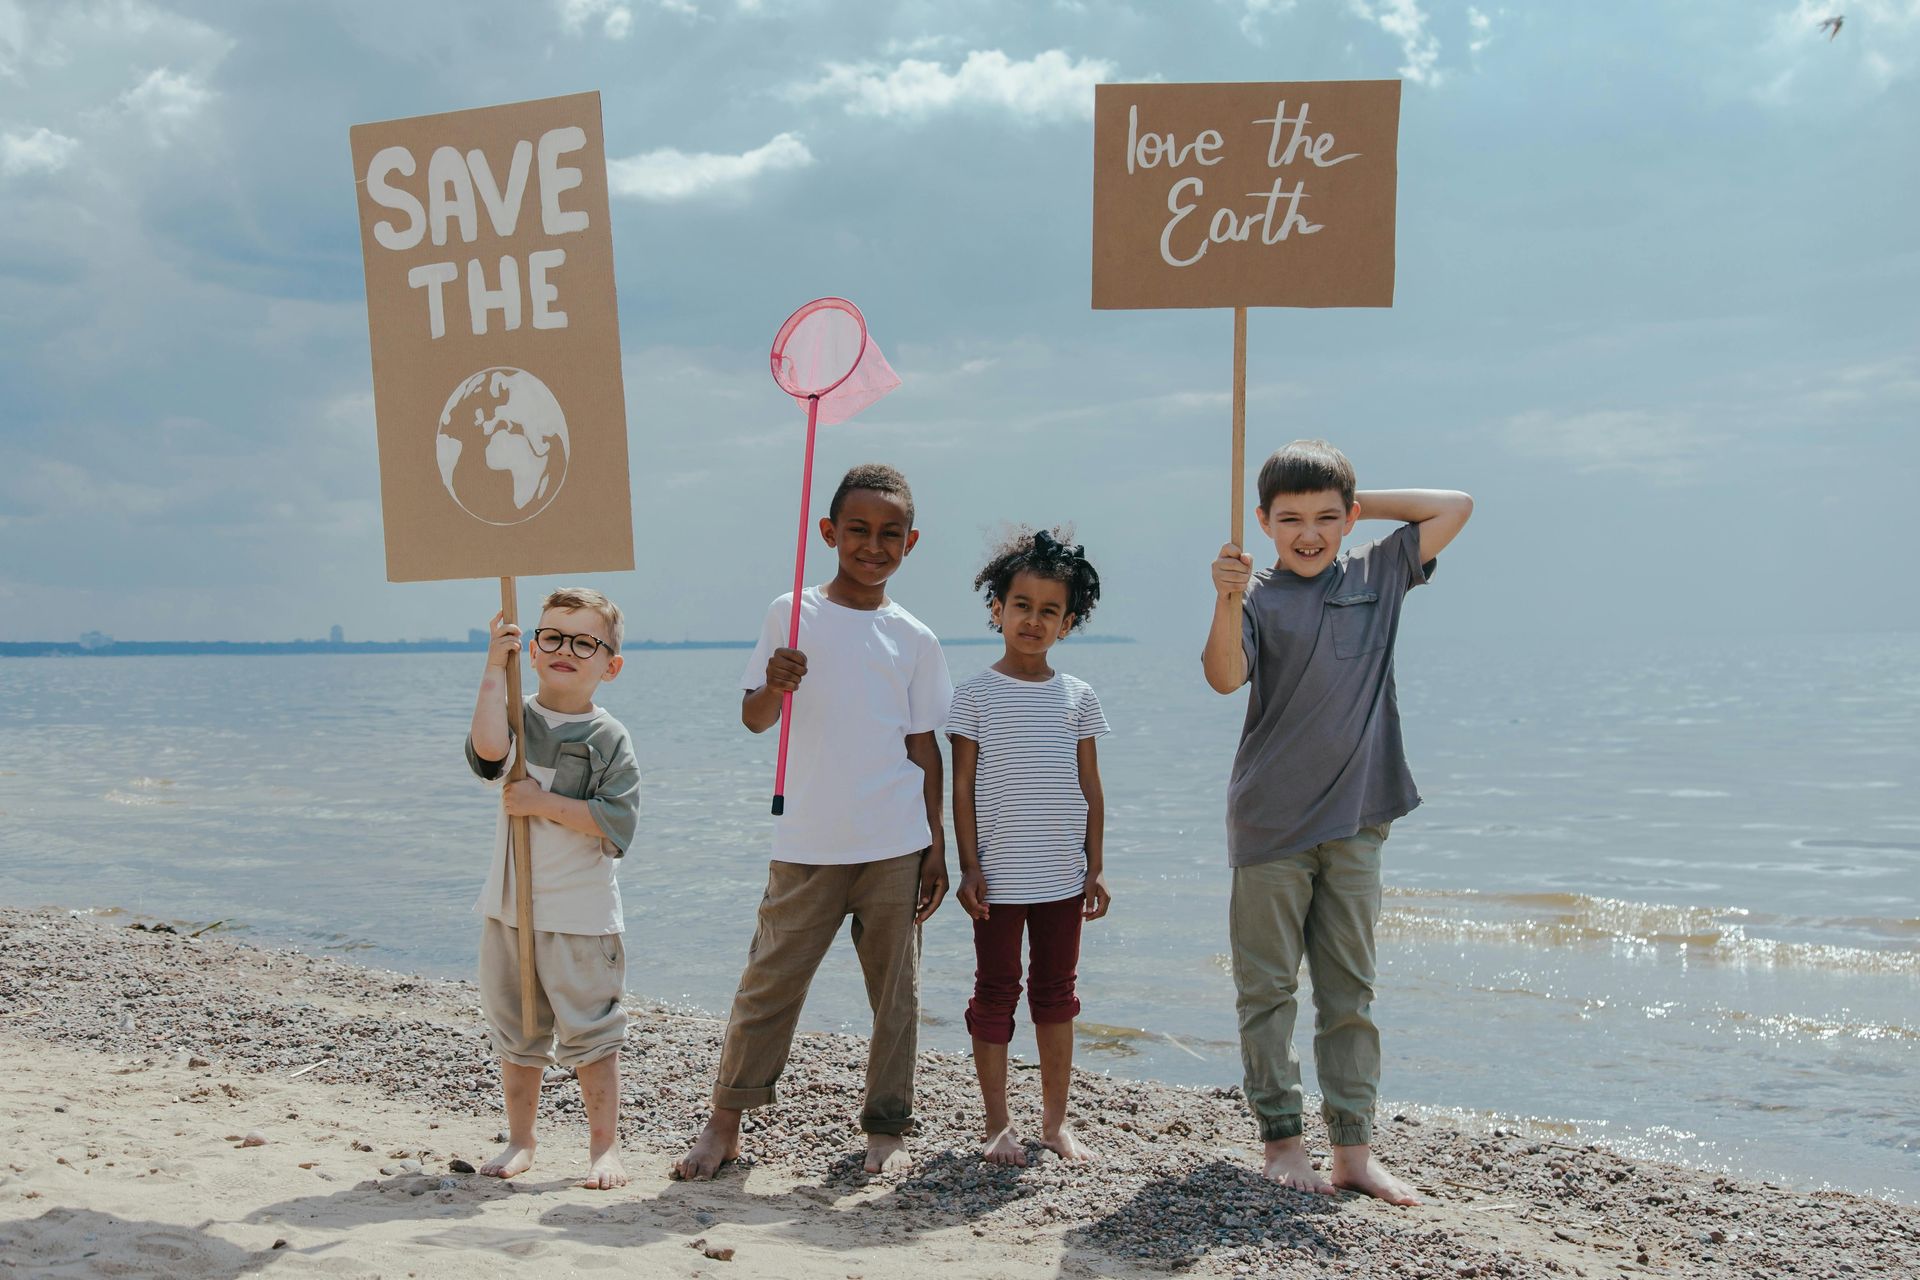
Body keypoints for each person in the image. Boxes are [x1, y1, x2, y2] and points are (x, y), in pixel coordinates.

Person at [1201, 439, 1472, 1205]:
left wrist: (1356, 504)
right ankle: (1283, 1143)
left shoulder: (1376, 573)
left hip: (1357, 819)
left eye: (1326, 518)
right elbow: (1223, 677)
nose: (1309, 534)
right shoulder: (1254, 594)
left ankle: (1354, 1151)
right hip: (1270, 824)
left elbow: (1456, 507)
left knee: (1350, 992)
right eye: (1289, 520)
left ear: (1348, 520)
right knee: (1267, 992)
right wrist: (1224, 598)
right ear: (1262, 523)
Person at [674, 463, 953, 1179]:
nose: (873, 546)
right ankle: (725, 1122)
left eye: (890, 534)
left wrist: (937, 844)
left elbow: (924, 746)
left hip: (895, 842)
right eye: (857, 530)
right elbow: (754, 719)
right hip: (808, 841)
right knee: (768, 983)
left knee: (896, 996)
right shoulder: (791, 613)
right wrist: (775, 683)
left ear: (911, 542)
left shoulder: (915, 638)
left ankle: (887, 1127)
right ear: (828, 532)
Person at [466, 586, 640, 1190]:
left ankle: (604, 1147)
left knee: (592, 1033)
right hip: (510, 909)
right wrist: (494, 667)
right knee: (517, 1032)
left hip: (581, 916)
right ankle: (521, 1138)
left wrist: (542, 802)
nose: (567, 649)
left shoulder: (609, 737)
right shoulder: (515, 713)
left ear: (610, 665)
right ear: (533, 649)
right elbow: (489, 751)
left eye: (585, 642)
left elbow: (617, 824)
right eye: (553, 637)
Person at [949, 526, 1111, 1167]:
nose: (1033, 620)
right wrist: (968, 867)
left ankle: (1055, 1122)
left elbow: (1091, 788)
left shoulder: (1078, 697)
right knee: (995, 993)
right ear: (997, 609)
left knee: (1057, 995)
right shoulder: (974, 695)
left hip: (1063, 879)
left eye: (1049, 611)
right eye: (1021, 605)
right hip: (998, 878)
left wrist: (1096, 866)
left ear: (1067, 624)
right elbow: (962, 789)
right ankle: (997, 1124)